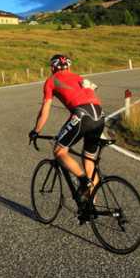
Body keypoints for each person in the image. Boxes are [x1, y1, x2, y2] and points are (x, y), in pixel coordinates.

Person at [29, 54, 105, 202]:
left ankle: (84, 181)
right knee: (89, 159)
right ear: (69, 66)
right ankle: (92, 205)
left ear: (52, 68)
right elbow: (93, 97)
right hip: (100, 115)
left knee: (59, 150)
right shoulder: (81, 78)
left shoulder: (51, 81)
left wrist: (36, 131)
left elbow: (45, 109)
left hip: (82, 115)